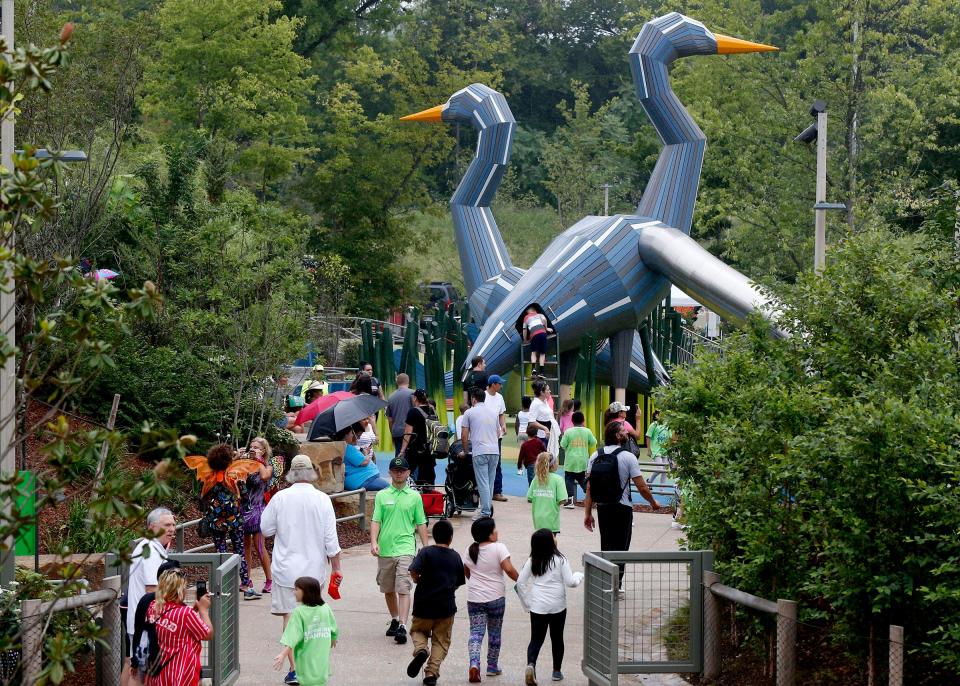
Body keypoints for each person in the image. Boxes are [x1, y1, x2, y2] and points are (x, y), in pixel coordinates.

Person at [261, 454, 343, 685]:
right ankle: (310, 668)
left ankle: (295, 669)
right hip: (314, 570)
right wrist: (336, 568)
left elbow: (266, 529)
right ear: (311, 472)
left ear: (291, 474)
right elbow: (331, 541)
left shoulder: (280, 498)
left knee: (290, 615)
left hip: (285, 568)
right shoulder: (322, 499)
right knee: (312, 616)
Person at [583, 422, 660, 591]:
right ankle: (616, 585)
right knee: (621, 548)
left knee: (607, 545)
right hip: (622, 508)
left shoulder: (595, 455)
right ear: (618, 436)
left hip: (603, 507)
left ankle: (606, 582)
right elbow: (642, 487)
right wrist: (653, 503)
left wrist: (588, 513)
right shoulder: (628, 457)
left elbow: (589, 488)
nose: (627, 432)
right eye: (624, 430)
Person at [186, 444, 259, 600]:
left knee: (221, 551)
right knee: (239, 551)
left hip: (216, 521)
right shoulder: (235, 475)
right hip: (234, 520)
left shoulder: (208, 477)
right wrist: (244, 507)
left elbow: (202, 498)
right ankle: (246, 586)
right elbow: (245, 499)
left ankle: (222, 586)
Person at [371, 456, 429, 646]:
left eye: (402, 470)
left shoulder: (414, 497)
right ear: (390, 473)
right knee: (388, 588)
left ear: (408, 473)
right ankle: (395, 618)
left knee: (403, 587)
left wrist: (426, 548)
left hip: (406, 548)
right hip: (385, 549)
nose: (399, 473)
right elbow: (376, 521)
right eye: (395, 471)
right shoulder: (382, 495)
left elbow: (421, 523)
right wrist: (373, 542)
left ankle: (403, 625)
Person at [517, 530, 583, 685]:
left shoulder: (532, 560)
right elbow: (571, 582)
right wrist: (579, 575)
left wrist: (527, 603)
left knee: (536, 639)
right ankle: (556, 671)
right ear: (550, 542)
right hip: (558, 605)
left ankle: (531, 664)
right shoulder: (560, 559)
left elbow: (520, 582)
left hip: (538, 605)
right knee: (557, 638)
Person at [406, 520, 465, 686]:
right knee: (441, 641)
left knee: (417, 630)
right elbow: (459, 581)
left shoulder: (425, 552)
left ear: (434, 536)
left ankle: (421, 650)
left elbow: (413, 570)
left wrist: (417, 579)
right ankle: (431, 673)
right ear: (451, 538)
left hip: (423, 604)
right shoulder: (455, 556)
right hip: (445, 607)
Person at [461, 517, 519, 683]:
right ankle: (492, 666)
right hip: (496, 598)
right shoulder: (499, 548)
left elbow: (466, 571)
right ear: (489, 534)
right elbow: (508, 569)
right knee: (494, 633)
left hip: (475, 599)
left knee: (476, 632)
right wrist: (521, 581)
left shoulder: (470, 549)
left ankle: (474, 663)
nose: (497, 532)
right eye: (494, 530)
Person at [124, 508, 176, 686]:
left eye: (173, 525)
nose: (171, 529)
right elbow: (152, 591)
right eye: (166, 525)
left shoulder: (151, 547)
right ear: (152, 527)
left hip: (141, 621)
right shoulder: (151, 551)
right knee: (139, 672)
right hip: (146, 623)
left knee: (132, 663)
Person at [144, 568, 213, 686]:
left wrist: (193, 610)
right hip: (181, 675)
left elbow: (171, 622)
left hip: (157, 674)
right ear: (179, 590)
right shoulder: (185, 614)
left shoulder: (153, 607)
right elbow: (207, 634)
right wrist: (203, 610)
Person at [274, 577, 338, 686]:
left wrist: (283, 654)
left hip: (307, 659)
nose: (294, 592)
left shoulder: (299, 612)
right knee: (320, 681)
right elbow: (334, 627)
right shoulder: (325, 608)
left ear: (306, 592)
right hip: (321, 659)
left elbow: (292, 636)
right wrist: (333, 637)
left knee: (308, 681)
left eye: (296, 589)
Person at [129, 560, 183, 679]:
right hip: (151, 659)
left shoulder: (181, 606)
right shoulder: (147, 601)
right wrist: (135, 660)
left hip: (171, 662)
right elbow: (139, 631)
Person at [241, 437, 277, 594]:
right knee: (244, 548)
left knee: (260, 547)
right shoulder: (246, 465)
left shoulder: (267, 466)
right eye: (251, 446)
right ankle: (246, 580)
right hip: (243, 510)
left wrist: (258, 461)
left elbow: (264, 477)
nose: (253, 449)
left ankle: (270, 579)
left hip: (258, 511)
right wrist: (238, 458)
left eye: (256, 447)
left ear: (263, 450)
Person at [460, 388, 501, 519]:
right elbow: (498, 433)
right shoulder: (493, 413)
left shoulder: (469, 413)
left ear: (473, 399)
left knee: (482, 482)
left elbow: (464, 434)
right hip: (494, 451)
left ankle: (485, 512)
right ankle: (486, 509)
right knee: (490, 482)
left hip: (480, 451)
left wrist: (465, 451)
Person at [398, 389, 438, 487]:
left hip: (416, 448)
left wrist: (402, 450)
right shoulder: (432, 410)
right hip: (430, 448)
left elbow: (408, 432)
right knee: (428, 475)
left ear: (415, 398)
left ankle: (408, 493)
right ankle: (428, 495)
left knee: (407, 472)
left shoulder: (413, 412)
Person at [559, 411, 596, 508]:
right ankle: (592, 496)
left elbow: (562, 445)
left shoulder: (568, 432)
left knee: (569, 480)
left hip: (570, 461)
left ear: (572, 421)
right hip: (583, 461)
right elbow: (593, 442)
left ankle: (570, 500)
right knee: (582, 479)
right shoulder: (587, 431)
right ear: (583, 420)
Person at [339, 423, 389, 492]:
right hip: (363, 480)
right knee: (389, 489)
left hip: (365, 478)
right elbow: (364, 462)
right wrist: (366, 454)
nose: (353, 435)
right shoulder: (347, 448)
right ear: (346, 435)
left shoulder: (345, 447)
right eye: (351, 433)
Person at [526, 452, 566, 535]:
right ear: (553, 464)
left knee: (540, 543)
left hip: (538, 520)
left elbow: (529, 498)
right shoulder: (558, 479)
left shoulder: (536, 479)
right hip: (551, 520)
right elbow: (563, 500)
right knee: (551, 544)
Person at [485, 374, 508, 502]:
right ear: (493, 384)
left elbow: (501, 414)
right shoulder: (483, 396)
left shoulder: (500, 398)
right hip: (484, 435)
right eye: (499, 383)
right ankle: (483, 490)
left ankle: (497, 491)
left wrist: (503, 425)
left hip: (496, 436)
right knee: (484, 462)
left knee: (497, 463)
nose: (501, 385)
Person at [387, 374, 415, 456]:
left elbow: (390, 420)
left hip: (397, 432)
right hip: (411, 432)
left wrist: (392, 433)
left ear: (397, 382)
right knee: (413, 458)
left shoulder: (391, 397)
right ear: (408, 382)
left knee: (399, 458)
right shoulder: (413, 394)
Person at [645, 410, 673, 486]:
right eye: (661, 414)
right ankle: (649, 481)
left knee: (665, 470)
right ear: (656, 416)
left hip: (665, 450)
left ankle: (662, 488)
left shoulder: (667, 426)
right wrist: (648, 450)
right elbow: (648, 436)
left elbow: (671, 437)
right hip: (656, 450)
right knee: (660, 469)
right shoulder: (654, 425)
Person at [522, 307, 552, 375]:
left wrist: (525, 340)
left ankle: (533, 370)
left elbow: (524, 329)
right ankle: (541, 372)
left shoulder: (526, 317)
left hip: (534, 334)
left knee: (533, 353)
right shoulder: (540, 315)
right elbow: (544, 319)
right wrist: (546, 328)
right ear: (535, 311)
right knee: (542, 353)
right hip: (543, 333)